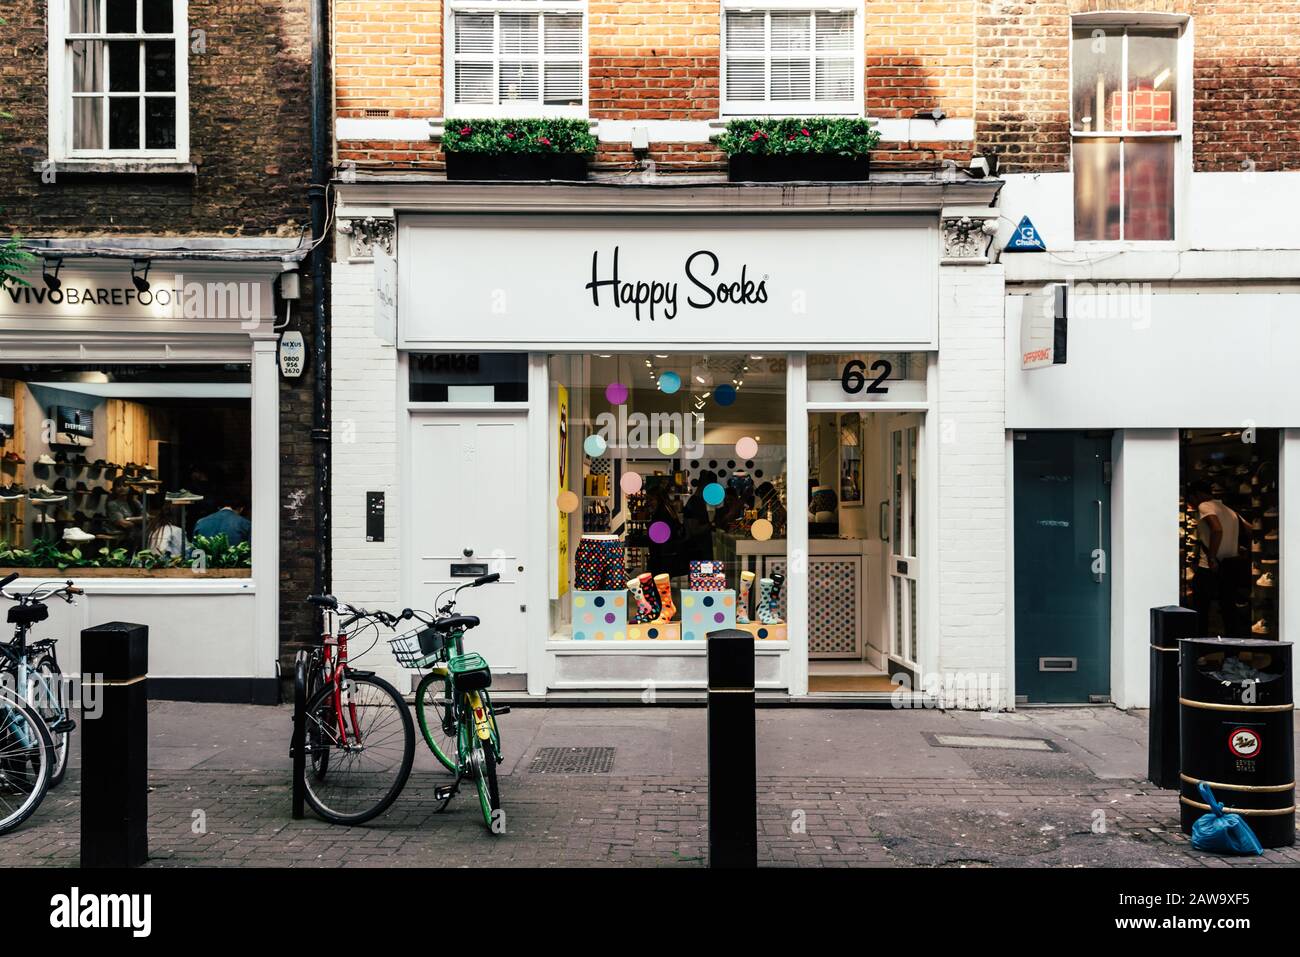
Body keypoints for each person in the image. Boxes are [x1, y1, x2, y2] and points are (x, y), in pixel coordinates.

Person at [1188, 481, 1249, 636]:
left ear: (1198, 495)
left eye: (1191, 499)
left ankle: (1199, 652)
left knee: (1200, 610)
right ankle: (1232, 656)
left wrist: (1212, 557)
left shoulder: (1205, 506)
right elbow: (1249, 528)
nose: (1191, 503)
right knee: (1229, 611)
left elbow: (1216, 529)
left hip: (1209, 567)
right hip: (1229, 566)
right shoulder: (1229, 510)